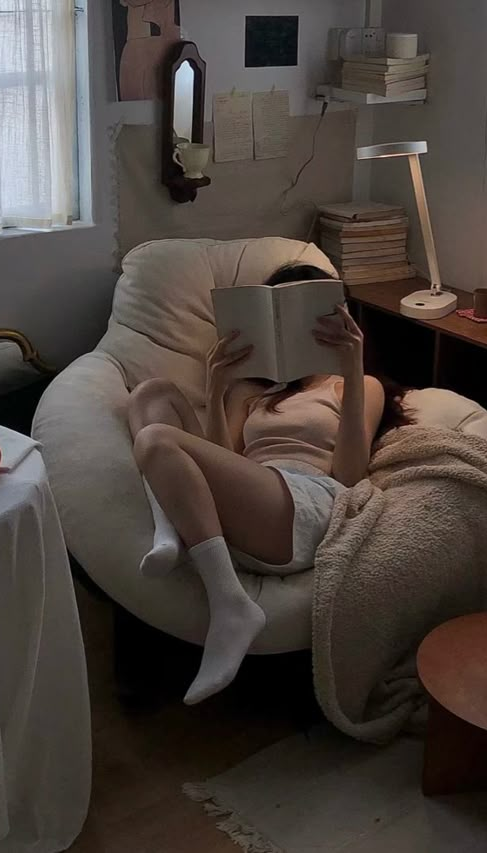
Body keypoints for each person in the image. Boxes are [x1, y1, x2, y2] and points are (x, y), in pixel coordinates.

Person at [126, 264, 412, 704]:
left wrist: (353, 368)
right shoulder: (252, 393)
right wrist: (217, 385)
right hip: (250, 500)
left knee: (155, 439)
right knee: (151, 394)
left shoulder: (353, 386)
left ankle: (229, 601)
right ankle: (173, 522)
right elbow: (226, 459)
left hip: (305, 503)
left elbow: (351, 475)